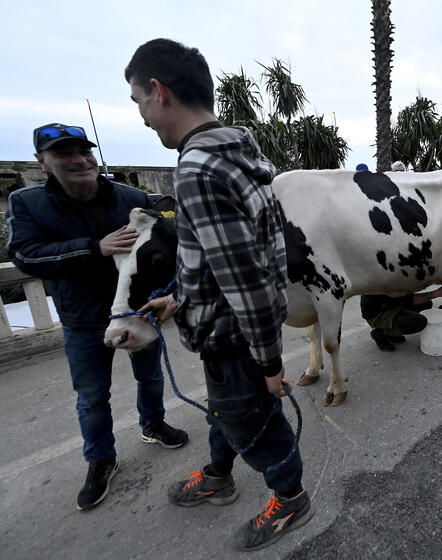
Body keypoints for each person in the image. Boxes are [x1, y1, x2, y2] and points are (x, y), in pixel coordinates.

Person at [125, 38, 311, 551]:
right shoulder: (239, 154)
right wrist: (180, 299)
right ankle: (218, 474)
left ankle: (291, 498)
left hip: (235, 335)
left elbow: (245, 281)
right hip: (236, 325)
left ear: (159, 92)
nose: (141, 115)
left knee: (251, 416)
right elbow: (220, 256)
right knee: (225, 410)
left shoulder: (197, 171)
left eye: (138, 100)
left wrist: (271, 365)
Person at [6, 123, 188, 511]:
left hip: (137, 311)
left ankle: (153, 425)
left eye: (83, 151)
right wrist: (94, 248)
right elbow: (25, 255)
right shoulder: (28, 202)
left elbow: (168, 244)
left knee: (150, 375)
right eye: (63, 154)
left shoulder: (131, 196)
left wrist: (171, 293)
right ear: (43, 162)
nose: (78, 160)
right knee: (92, 397)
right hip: (84, 318)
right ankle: (101, 459)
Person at [361, 285, 442, 351]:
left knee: (426, 303)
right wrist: (438, 293)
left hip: (389, 304)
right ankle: (381, 333)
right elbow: (408, 300)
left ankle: (392, 331)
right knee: (419, 322)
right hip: (376, 314)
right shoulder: (387, 279)